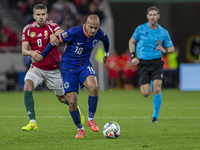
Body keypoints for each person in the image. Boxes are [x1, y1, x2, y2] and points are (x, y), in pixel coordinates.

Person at [33, 14, 109, 138]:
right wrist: (42, 55)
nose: (93, 30)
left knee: (94, 87)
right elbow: (54, 41)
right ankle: (80, 129)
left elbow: (106, 40)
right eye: (91, 27)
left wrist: (106, 53)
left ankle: (91, 119)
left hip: (84, 65)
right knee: (72, 101)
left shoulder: (99, 33)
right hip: (68, 68)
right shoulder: (74, 32)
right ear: (86, 24)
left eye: (96, 28)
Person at [21, 4, 84, 132]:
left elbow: (62, 32)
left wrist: (54, 35)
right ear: (34, 16)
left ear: (46, 15)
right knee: (27, 86)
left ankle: (77, 110)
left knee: (61, 98)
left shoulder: (51, 25)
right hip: (37, 67)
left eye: (43, 14)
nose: (41, 17)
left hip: (53, 69)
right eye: (38, 15)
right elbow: (23, 50)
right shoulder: (27, 29)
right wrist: (31, 53)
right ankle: (32, 122)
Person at [129, 6, 175, 123]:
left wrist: (165, 50)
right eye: (151, 15)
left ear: (158, 16)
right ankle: (150, 81)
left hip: (157, 63)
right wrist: (133, 56)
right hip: (143, 63)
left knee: (157, 89)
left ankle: (155, 116)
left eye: (155, 15)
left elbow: (172, 48)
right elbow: (131, 41)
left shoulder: (163, 32)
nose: (153, 17)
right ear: (147, 16)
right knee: (145, 93)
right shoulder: (140, 29)